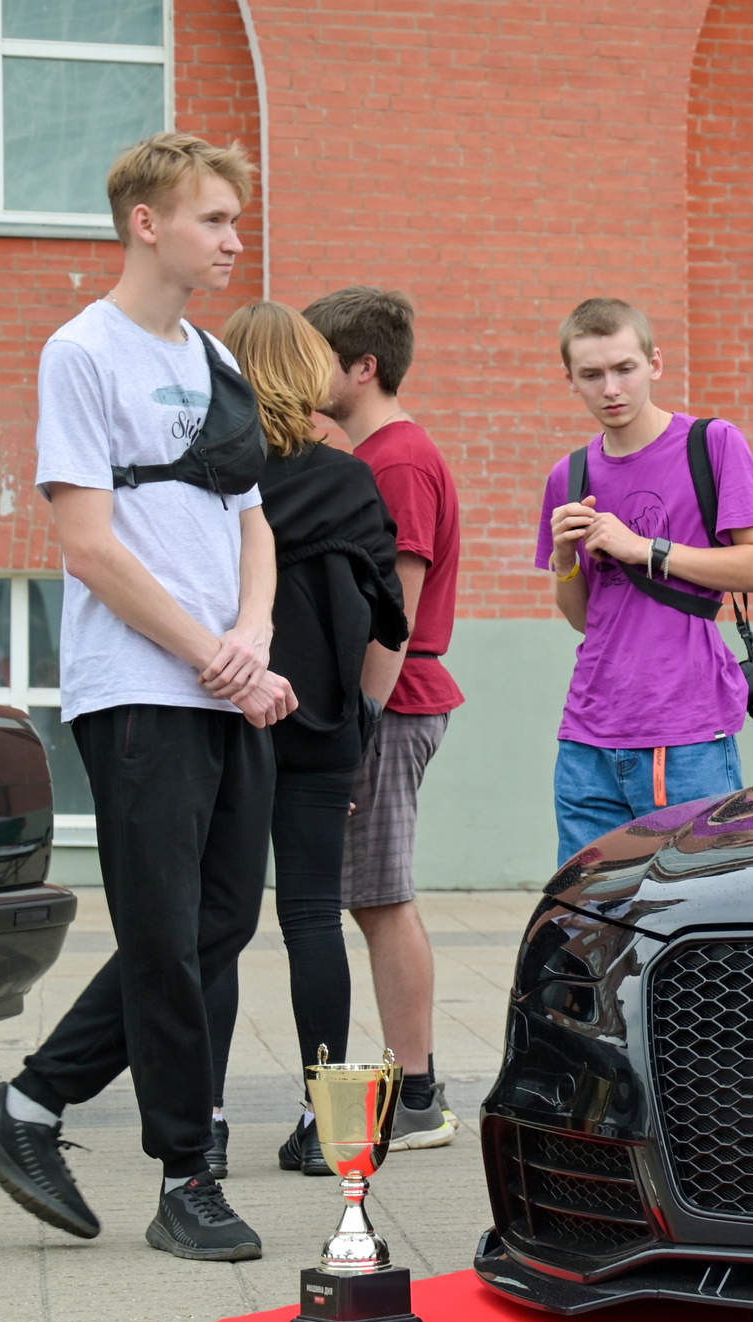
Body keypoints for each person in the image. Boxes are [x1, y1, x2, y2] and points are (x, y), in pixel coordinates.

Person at [0, 133, 295, 1260]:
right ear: (147, 222)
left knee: (218, 922)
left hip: (219, 677)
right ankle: (187, 1174)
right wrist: (209, 650)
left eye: (235, 221)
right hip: (139, 683)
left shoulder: (214, 359)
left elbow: (253, 521)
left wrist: (250, 636)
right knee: (160, 928)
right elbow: (89, 545)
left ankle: (32, 1104)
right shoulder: (79, 352)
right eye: (213, 219)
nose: (234, 240)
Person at [205, 301, 407, 1177]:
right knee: (313, 915)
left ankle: (202, 1123)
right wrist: (360, 721)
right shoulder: (349, 478)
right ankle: (331, 1132)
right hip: (325, 722)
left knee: (216, 923)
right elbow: (387, 618)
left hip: (226, 715)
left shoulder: (214, 477)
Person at [538, 297, 753, 864]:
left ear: (654, 363)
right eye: (592, 375)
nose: (611, 388)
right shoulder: (569, 474)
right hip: (587, 735)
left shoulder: (712, 443)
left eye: (624, 368)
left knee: (694, 907)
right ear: (570, 380)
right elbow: (584, 616)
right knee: (587, 920)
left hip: (686, 731)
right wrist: (562, 555)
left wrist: (644, 549)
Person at [303, 287, 464, 1147]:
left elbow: (391, 609)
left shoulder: (396, 461)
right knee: (374, 896)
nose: (304, 373)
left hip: (391, 702)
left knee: (381, 898)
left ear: (362, 367)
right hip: (390, 700)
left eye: (317, 356)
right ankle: (419, 1089)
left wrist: (357, 720)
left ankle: (420, 1097)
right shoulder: (380, 453)